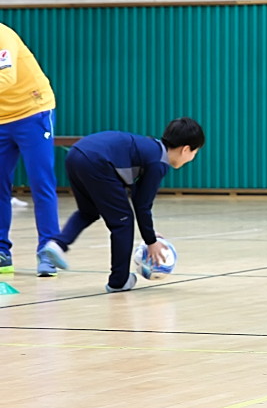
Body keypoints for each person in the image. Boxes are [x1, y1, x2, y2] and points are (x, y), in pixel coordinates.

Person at [39, 118, 204, 292]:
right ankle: (119, 281)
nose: (192, 158)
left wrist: (149, 232)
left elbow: (137, 196)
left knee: (88, 211)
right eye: (195, 152)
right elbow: (142, 205)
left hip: (76, 154)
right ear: (186, 149)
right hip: (97, 161)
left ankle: (57, 244)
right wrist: (151, 241)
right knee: (123, 223)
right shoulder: (159, 163)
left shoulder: (150, 148)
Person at [0, 22, 60, 277]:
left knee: (41, 182)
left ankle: (48, 250)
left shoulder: (2, 35)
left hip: (33, 110)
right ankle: (2, 252)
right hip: (1, 118)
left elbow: (6, 77)